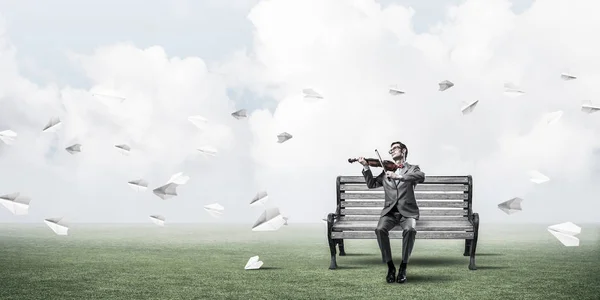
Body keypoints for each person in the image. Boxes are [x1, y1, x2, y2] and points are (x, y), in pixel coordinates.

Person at [358, 141, 425, 284]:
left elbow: (421, 176)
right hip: (389, 212)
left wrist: (399, 177)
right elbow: (371, 184)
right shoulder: (385, 171)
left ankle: (403, 267)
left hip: (407, 212)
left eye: (395, 148)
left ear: (404, 150)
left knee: (410, 230)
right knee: (380, 229)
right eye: (391, 150)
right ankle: (390, 267)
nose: (392, 151)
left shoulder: (413, 169)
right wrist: (366, 166)